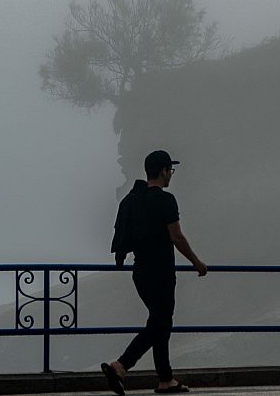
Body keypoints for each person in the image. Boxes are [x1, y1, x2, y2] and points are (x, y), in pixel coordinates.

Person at [102, 150, 208, 395]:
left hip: (140, 272)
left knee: (159, 321)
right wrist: (197, 262)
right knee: (160, 323)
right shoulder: (165, 200)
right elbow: (176, 237)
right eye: (170, 170)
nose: (171, 174)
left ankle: (165, 379)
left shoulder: (133, 200)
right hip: (161, 272)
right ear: (163, 171)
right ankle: (120, 365)